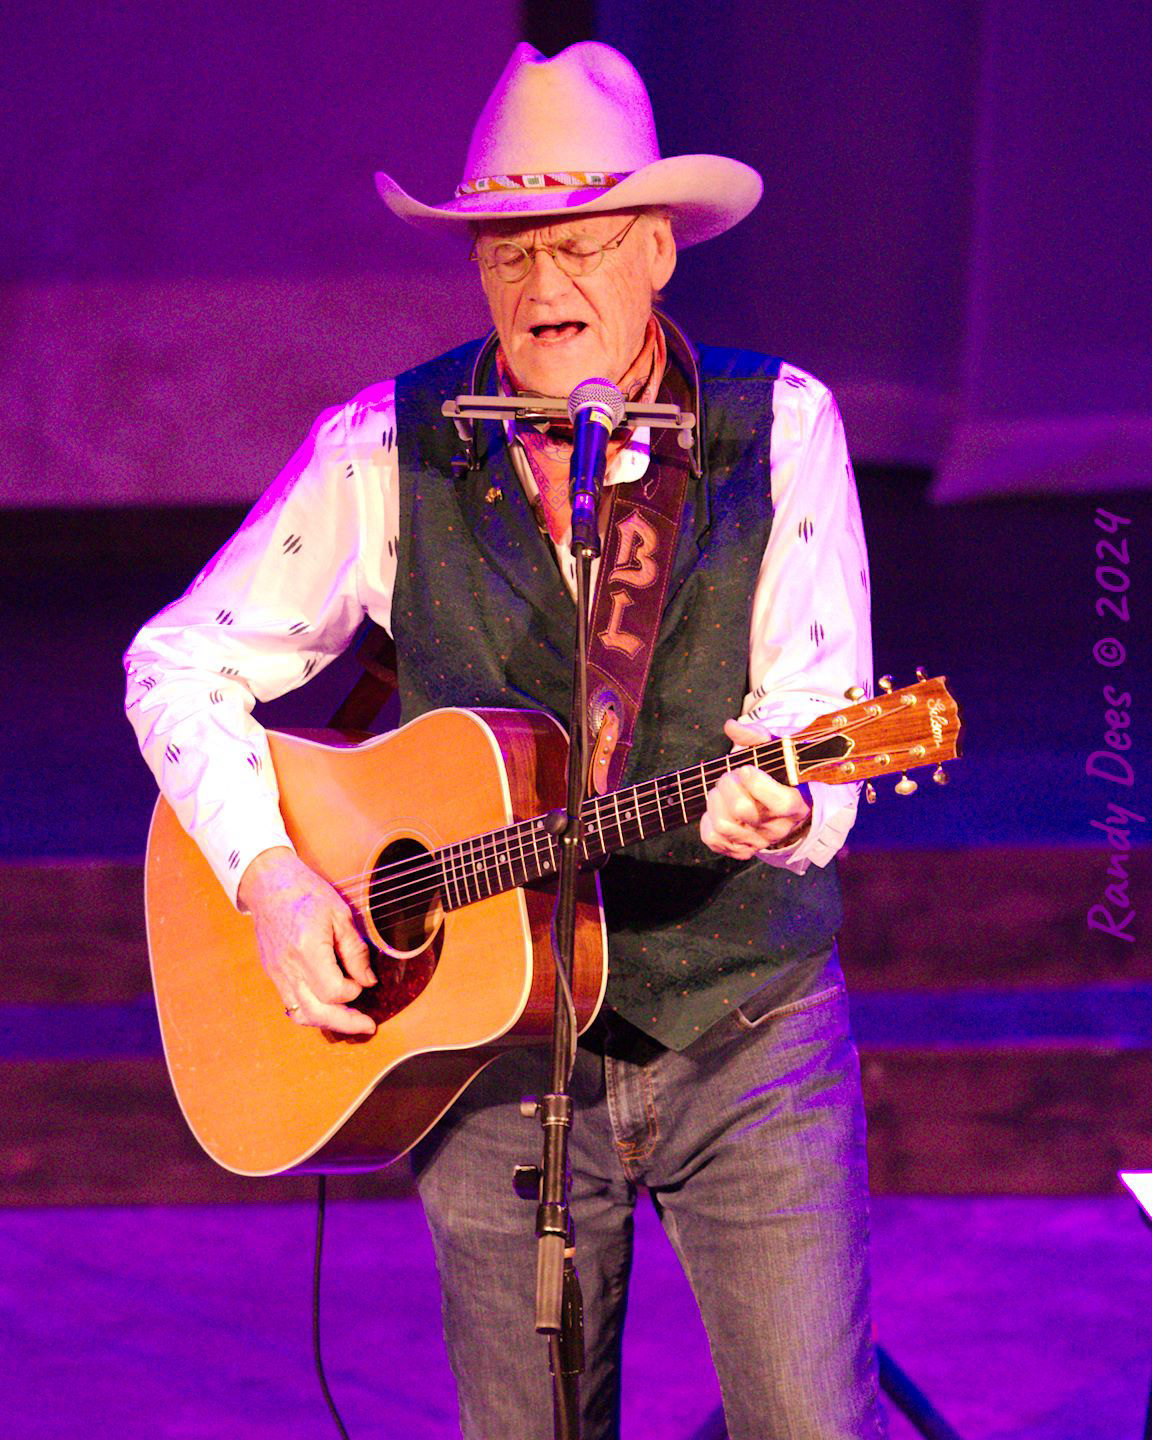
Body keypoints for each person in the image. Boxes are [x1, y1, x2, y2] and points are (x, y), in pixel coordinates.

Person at [126, 40, 883, 1440]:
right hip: (486, 1054)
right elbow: (178, 660)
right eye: (507, 252)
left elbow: (812, 710)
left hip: (740, 1030)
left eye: (582, 247)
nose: (543, 291)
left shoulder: (779, 429)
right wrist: (272, 877)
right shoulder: (381, 446)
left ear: (658, 250)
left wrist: (783, 799)